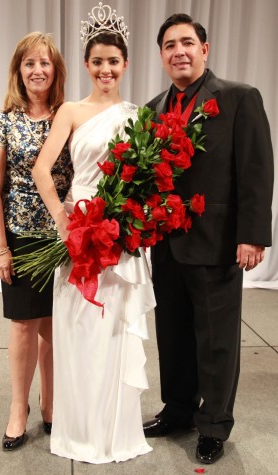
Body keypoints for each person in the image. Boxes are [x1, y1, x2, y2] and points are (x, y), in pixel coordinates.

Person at [142, 13, 274, 464]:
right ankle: (178, 409)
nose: (178, 51)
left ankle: (214, 423)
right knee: (172, 333)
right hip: (166, 243)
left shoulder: (238, 98)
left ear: (205, 48)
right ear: (161, 56)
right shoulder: (153, 108)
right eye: (169, 45)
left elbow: (256, 172)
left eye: (186, 43)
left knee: (217, 338)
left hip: (217, 240)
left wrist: (252, 235)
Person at [31, 3, 155, 464]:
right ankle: (80, 429)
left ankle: (114, 429)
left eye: (114, 61)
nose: (106, 69)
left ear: (125, 64)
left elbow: (144, 177)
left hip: (120, 235)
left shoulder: (138, 114)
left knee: (113, 329)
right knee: (79, 329)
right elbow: (43, 169)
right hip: (80, 231)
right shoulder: (70, 110)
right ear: (87, 64)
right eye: (97, 61)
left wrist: (133, 218)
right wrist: (63, 220)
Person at [0, 32, 73, 451]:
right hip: (22, 237)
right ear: (18, 71)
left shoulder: (70, 116)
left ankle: (51, 404)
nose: (37, 70)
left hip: (65, 238)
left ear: (56, 70)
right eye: (29, 63)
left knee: (55, 326)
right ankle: (19, 409)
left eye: (45, 63)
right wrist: (0, 247)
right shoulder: (2, 122)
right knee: (23, 326)